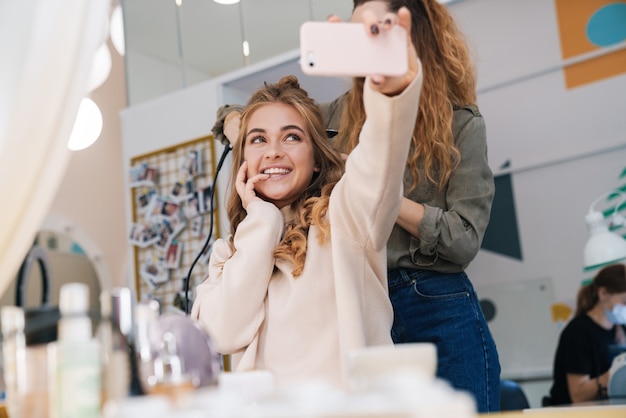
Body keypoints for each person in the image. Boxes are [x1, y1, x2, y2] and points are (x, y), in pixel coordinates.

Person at [213, 0, 500, 412]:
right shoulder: (332, 116)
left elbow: (463, 239)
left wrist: (376, 194)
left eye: (378, 29)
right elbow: (260, 117)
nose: (368, 38)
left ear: (412, 32)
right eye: (358, 29)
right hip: (347, 281)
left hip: (430, 295)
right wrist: (252, 134)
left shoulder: (461, 123)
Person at [192, 8, 423, 389]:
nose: (274, 151)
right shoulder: (227, 255)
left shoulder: (346, 216)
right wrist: (262, 223)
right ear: (244, 162)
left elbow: (380, 162)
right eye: (258, 139)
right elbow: (222, 335)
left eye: (292, 137)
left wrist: (390, 92)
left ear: (316, 160)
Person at [546, 264, 626, 405]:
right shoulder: (578, 332)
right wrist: (613, 375)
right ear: (603, 294)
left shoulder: (620, 329)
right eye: (624, 302)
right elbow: (578, 395)